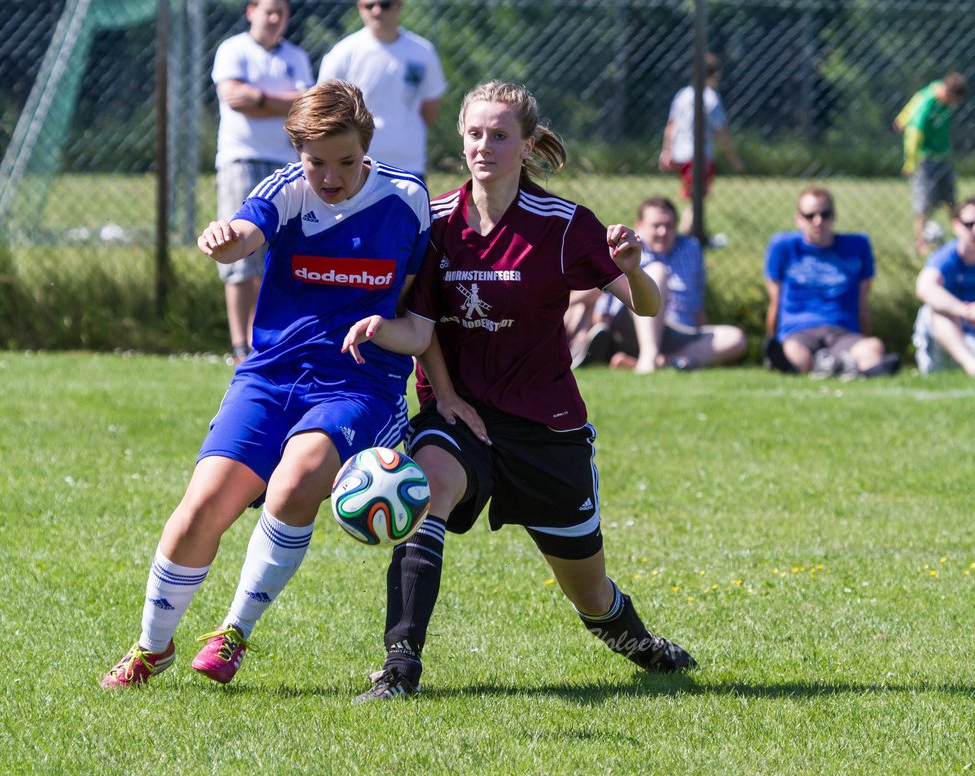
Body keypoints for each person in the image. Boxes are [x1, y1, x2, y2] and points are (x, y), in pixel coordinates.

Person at [342, 80, 697, 703]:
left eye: (501, 135)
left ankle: (641, 645)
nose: (485, 146)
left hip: (546, 428)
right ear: (461, 137)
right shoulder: (436, 222)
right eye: (475, 134)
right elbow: (421, 330)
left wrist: (635, 268)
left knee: (590, 595)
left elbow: (646, 306)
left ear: (527, 145)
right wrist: (387, 335)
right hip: (461, 419)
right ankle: (399, 670)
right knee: (425, 495)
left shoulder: (563, 225)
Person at [100, 81, 434, 689]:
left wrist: (390, 332)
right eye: (316, 162)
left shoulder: (407, 199)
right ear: (297, 153)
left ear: (368, 147)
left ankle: (232, 633)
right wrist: (227, 237)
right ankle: (151, 648)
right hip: (271, 374)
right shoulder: (285, 190)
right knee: (202, 507)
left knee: (299, 477)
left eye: (345, 161)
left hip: (358, 384)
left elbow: (419, 312)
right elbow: (248, 229)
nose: (330, 176)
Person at [211, 0, 314, 364]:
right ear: (251, 11)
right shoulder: (233, 50)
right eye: (268, 11)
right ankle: (240, 346)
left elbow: (306, 104)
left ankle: (266, 341)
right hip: (241, 159)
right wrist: (281, 101)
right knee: (238, 248)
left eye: (281, 12)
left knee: (279, 253)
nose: (275, 19)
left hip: (288, 162)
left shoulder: (296, 56)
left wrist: (259, 97)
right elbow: (234, 98)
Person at [595, 196, 747, 373]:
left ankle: (659, 361)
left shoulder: (691, 248)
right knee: (657, 271)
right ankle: (648, 356)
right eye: (656, 225)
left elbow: (698, 304)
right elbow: (604, 305)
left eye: (669, 226)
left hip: (678, 330)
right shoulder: (624, 250)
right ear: (639, 225)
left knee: (736, 338)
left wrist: (700, 332)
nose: (663, 232)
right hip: (634, 324)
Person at [762, 187, 900, 379]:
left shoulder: (857, 246)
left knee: (872, 347)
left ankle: (865, 368)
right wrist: (771, 338)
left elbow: (862, 301)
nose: (818, 221)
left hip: (842, 333)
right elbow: (775, 302)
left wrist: (864, 335)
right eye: (810, 215)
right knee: (795, 354)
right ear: (798, 218)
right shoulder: (783, 247)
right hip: (798, 333)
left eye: (824, 214)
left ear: (834, 216)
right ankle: (811, 364)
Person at [317, 0, 446, 178]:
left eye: (385, 4)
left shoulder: (423, 52)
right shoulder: (343, 53)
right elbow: (325, 105)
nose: (377, 11)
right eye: (369, 5)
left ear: (399, 6)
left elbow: (430, 108)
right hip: (360, 162)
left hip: (409, 163)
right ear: (360, 8)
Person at [658, 53, 745, 239]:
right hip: (699, 156)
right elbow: (721, 132)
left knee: (697, 197)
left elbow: (670, 127)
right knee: (695, 201)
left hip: (680, 154)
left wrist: (666, 152)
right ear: (714, 75)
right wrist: (734, 159)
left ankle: (700, 236)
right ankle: (681, 239)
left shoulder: (682, 95)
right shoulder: (711, 98)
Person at [894, 73, 967, 256]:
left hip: (944, 156)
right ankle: (921, 243)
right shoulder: (927, 102)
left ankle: (962, 235)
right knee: (924, 203)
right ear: (946, 92)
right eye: (952, 100)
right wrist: (910, 162)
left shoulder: (942, 100)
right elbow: (913, 133)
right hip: (925, 159)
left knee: (950, 200)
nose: (952, 105)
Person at [912, 196, 975, 375]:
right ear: (956, 225)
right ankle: (972, 367)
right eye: (969, 224)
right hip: (944, 341)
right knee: (936, 310)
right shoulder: (947, 256)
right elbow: (925, 288)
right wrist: (964, 310)